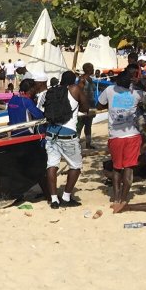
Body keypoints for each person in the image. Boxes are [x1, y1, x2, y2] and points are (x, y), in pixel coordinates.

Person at [98, 68, 146, 212]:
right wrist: (143, 84)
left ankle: (115, 198)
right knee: (129, 168)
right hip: (132, 135)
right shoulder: (136, 93)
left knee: (117, 168)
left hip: (115, 136)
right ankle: (123, 199)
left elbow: (99, 104)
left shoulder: (110, 90)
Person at [42, 71, 88, 208]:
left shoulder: (52, 91)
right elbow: (85, 107)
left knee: (52, 165)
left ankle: (54, 199)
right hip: (68, 134)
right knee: (76, 165)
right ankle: (66, 197)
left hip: (51, 133)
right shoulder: (75, 89)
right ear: (73, 80)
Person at [79, 63, 98, 149]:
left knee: (88, 125)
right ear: (89, 70)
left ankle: (88, 143)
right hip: (83, 106)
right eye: (92, 68)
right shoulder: (82, 79)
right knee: (79, 125)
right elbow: (80, 92)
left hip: (91, 105)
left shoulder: (90, 79)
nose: (93, 70)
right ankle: (76, 143)